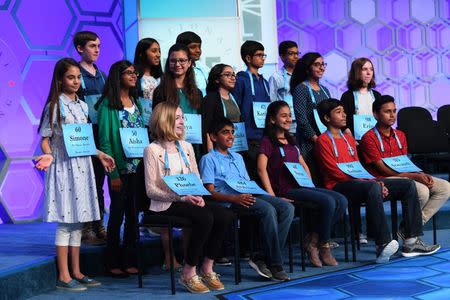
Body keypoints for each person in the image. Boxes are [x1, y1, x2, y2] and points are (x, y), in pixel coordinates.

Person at [314, 99, 440, 263]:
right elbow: (334, 171)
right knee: (373, 187)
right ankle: (382, 244)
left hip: (362, 181)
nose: (344, 114)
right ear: (326, 118)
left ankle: (411, 241)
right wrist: (370, 182)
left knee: (408, 185)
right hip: (339, 185)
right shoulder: (323, 141)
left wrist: (375, 181)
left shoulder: (348, 139)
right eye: (338, 112)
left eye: (344, 111)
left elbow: (357, 166)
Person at [36, 57, 115, 291]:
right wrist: (48, 155)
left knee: (78, 222)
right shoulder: (54, 105)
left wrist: (100, 154)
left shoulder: (82, 105)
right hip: (63, 169)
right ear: (60, 80)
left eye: (78, 77)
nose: (76, 81)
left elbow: (84, 139)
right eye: (71, 77)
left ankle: (77, 271)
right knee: (65, 223)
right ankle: (63, 275)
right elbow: (45, 139)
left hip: (83, 169)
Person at [144, 102, 233, 293]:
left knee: (224, 215)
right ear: (165, 120)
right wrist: (181, 197)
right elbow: (151, 190)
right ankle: (188, 271)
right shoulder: (152, 149)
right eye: (177, 118)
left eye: (182, 117)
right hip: (165, 203)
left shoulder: (186, 146)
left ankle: (207, 267)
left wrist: (199, 195)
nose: (182, 122)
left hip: (188, 199)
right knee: (204, 217)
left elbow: (196, 178)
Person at [199, 117, 295, 281]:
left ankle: (262, 256)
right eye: (225, 133)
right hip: (229, 201)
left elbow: (247, 183)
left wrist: (267, 195)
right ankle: (275, 263)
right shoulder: (208, 159)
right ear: (213, 137)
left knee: (287, 208)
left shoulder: (238, 157)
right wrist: (234, 199)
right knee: (268, 209)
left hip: (247, 194)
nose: (230, 136)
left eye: (232, 132)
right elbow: (208, 192)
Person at [257, 101, 347, 267]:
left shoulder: (291, 141)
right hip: (286, 190)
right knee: (328, 201)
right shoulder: (267, 142)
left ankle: (313, 240)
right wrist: (272, 196)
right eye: (283, 116)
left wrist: (310, 185)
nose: (288, 119)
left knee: (341, 200)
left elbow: (303, 163)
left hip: (302, 186)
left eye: (289, 115)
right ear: (272, 120)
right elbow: (261, 169)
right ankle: (324, 245)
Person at [360, 95, 450, 226]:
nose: (392, 115)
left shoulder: (400, 135)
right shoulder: (368, 138)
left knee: (445, 187)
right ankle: (412, 232)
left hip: (404, 175)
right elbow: (382, 169)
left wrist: (420, 174)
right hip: (383, 178)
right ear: (375, 115)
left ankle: (410, 227)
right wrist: (414, 176)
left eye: (394, 111)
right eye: (387, 111)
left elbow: (404, 164)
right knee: (422, 191)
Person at [97, 60, 145, 277]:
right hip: (120, 169)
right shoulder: (108, 104)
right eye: (129, 73)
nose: (134, 76)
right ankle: (112, 261)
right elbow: (105, 141)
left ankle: (130, 259)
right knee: (117, 216)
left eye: (135, 73)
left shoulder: (136, 101)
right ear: (118, 76)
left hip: (139, 169)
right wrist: (113, 174)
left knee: (134, 216)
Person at [73, 31, 108, 245]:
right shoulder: (75, 73)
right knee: (86, 183)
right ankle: (86, 228)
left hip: (100, 133)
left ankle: (99, 224)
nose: (97, 50)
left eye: (99, 46)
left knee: (99, 180)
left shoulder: (102, 75)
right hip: (83, 136)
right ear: (80, 48)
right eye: (92, 46)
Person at [153, 43, 203, 159]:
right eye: (173, 61)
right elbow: (157, 124)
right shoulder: (160, 92)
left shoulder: (198, 93)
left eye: (182, 60)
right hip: (170, 149)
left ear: (189, 63)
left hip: (194, 148)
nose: (177, 64)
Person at [231, 40, 270, 181]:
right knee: (252, 172)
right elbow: (236, 107)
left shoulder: (264, 82)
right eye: (259, 55)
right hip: (248, 136)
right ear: (248, 58)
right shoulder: (241, 80)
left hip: (264, 136)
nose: (262, 58)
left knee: (264, 172)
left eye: (263, 55)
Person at [290, 52, 330, 184]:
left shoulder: (325, 90)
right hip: (309, 142)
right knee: (314, 178)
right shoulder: (301, 89)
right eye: (317, 65)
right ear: (307, 68)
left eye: (323, 64)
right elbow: (301, 119)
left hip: (325, 141)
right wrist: (316, 139)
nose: (321, 68)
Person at [202, 63, 240, 153]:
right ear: (217, 79)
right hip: (218, 150)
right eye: (227, 75)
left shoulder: (234, 98)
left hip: (236, 147)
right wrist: (211, 155)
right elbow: (207, 129)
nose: (232, 77)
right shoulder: (210, 98)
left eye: (233, 75)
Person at [340, 57, 381, 140]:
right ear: (357, 72)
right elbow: (343, 121)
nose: (369, 73)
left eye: (371, 69)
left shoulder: (377, 95)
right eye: (364, 69)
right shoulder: (347, 96)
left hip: (376, 140)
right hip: (356, 141)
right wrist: (350, 138)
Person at [269, 40, 299, 133]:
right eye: (291, 53)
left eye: (297, 53)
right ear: (282, 56)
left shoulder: (303, 75)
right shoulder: (276, 77)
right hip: (286, 124)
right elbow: (272, 101)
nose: (296, 57)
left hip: (302, 121)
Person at [133, 37, 163, 125]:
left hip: (161, 122)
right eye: (154, 51)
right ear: (141, 54)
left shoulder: (162, 77)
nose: (158, 55)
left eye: (159, 51)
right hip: (142, 121)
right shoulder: (134, 76)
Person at [176, 31, 209, 95]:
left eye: (199, 47)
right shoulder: (176, 69)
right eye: (193, 47)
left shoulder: (204, 68)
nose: (198, 50)